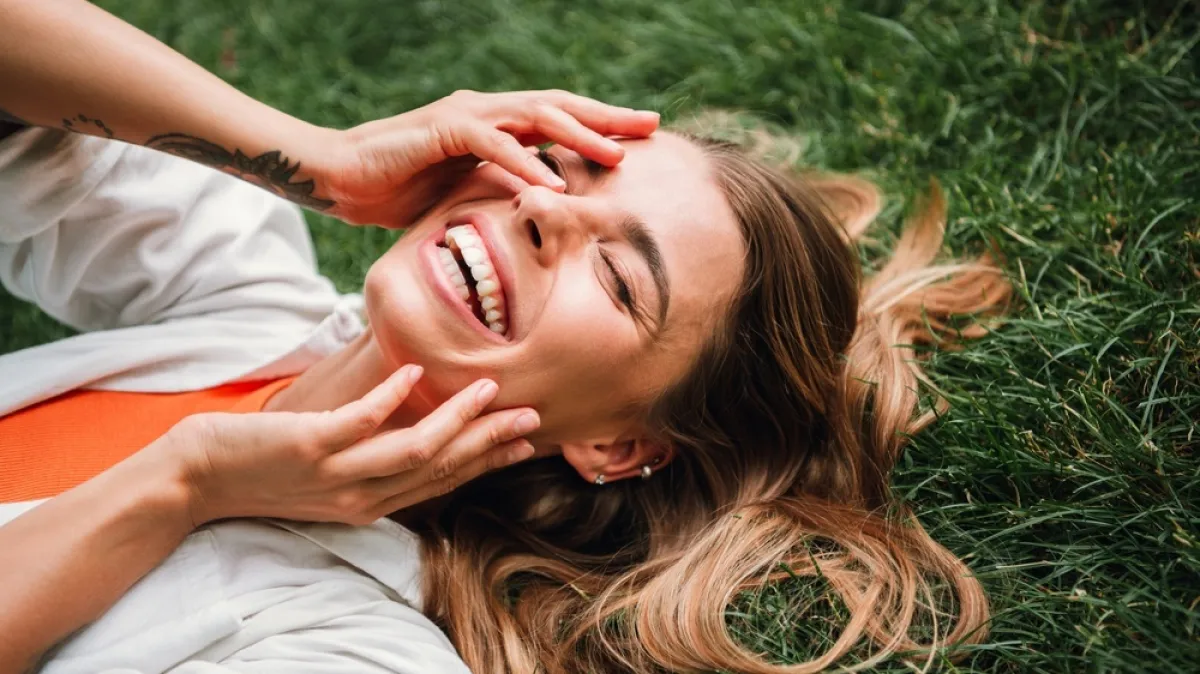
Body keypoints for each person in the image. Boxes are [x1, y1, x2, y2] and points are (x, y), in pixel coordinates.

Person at [0, 2, 1011, 673]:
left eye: (619, 277)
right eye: (557, 169)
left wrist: (186, 483)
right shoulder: (248, 295)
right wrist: (321, 159)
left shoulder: (341, 644)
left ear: (618, 444)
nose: (543, 211)